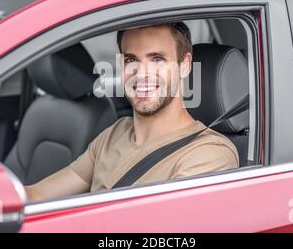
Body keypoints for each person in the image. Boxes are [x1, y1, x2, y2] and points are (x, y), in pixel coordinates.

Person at [25, 22, 239, 201]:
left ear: (184, 65)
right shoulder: (114, 133)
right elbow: (38, 194)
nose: (142, 73)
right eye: (132, 60)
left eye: (157, 59)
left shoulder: (208, 154)